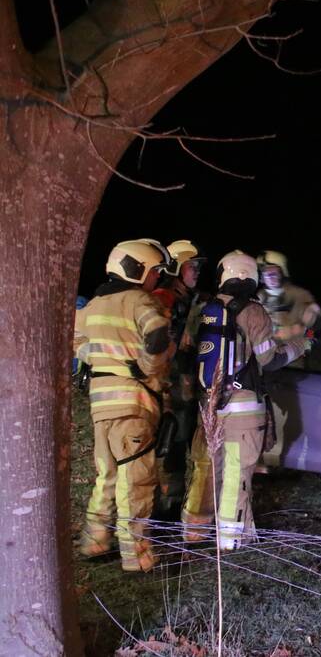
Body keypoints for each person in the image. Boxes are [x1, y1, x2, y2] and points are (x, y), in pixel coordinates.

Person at [182, 251, 304, 549]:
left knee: (210, 470)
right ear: (250, 276)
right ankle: (231, 540)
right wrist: (300, 346)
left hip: (209, 406)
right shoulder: (253, 311)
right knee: (236, 475)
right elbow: (269, 360)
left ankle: (195, 531)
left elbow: (187, 352)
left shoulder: (204, 308)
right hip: (243, 410)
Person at [74, 240, 173, 572]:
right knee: (136, 482)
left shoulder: (93, 305)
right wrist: (146, 367)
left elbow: (75, 340)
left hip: (101, 406)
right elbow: (157, 334)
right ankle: (137, 558)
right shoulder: (139, 300)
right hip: (133, 404)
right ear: (138, 269)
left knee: (107, 476)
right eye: (155, 272)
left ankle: (95, 541)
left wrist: (100, 359)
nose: (157, 278)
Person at [150, 240, 207, 518]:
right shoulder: (163, 299)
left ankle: (176, 505)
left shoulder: (193, 300)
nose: (197, 272)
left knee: (184, 445)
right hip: (169, 388)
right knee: (169, 447)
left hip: (188, 388)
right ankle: (164, 509)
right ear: (176, 268)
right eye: (191, 266)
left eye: (198, 267)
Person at [256, 250, 321, 366]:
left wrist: (308, 340)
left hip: (293, 356)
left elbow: (315, 325)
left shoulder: (299, 295)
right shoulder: (259, 297)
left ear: (282, 273)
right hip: (266, 356)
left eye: (274, 273)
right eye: (266, 274)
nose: (270, 277)